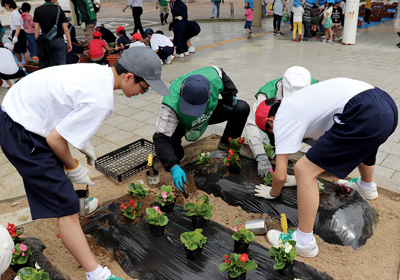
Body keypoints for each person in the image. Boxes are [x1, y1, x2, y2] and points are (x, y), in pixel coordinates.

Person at [0, 46, 170, 279]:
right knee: (66, 207)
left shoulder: (97, 71)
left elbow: (63, 110)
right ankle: (96, 274)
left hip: (23, 109)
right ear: (129, 76)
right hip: (20, 128)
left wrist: (79, 144)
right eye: (145, 86)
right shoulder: (101, 101)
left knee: (58, 175)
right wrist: (73, 166)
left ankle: (73, 201)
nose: (145, 91)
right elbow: (54, 139)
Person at [253, 78, 397, 258]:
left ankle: (303, 242)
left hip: (365, 110)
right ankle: (367, 186)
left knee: (303, 170)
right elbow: (324, 141)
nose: (274, 135)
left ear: (270, 121)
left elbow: (280, 175)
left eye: (270, 131)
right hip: (386, 104)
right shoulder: (297, 102)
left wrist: (273, 192)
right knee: (365, 140)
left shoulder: (281, 119)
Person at [153, 66, 250, 193]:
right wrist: (173, 166)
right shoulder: (170, 103)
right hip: (182, 121)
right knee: (172, 153)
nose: (193, 112)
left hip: (207, 113)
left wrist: (229, 98)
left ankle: (226, 144)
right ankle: (179, 155)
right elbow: (160, 137)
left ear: (209, 93)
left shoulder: (214, 75)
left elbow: (223, 77)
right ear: (182, 90)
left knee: (241, 107)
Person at [245, 66, 318, 180]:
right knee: (264, 139)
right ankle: (273, 150)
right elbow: (252, 124)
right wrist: (260, 155)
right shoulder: (267, 94)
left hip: (305, 129)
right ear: (282, 84)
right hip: (275, 128)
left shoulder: (316, 89)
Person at [33, 0, 72, 69]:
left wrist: (38, 41)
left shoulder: (38, 10)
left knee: (48, 63)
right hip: (59, 40)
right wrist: (69, 42)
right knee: (62, 63)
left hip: (46, 41)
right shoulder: (59, 10)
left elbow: (36, 28)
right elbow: (65, 29)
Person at [1, 0, 30, 68]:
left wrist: (15, 36)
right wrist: (12, 33)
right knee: (17, 51)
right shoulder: (14, 12)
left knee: (23, 50)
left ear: (7, 4)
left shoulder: (14, 13)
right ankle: (21, 64)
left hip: (18, 33)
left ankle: (27, 65)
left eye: (4, 6)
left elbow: (18, 26)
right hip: (17, 32)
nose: (5, 7)